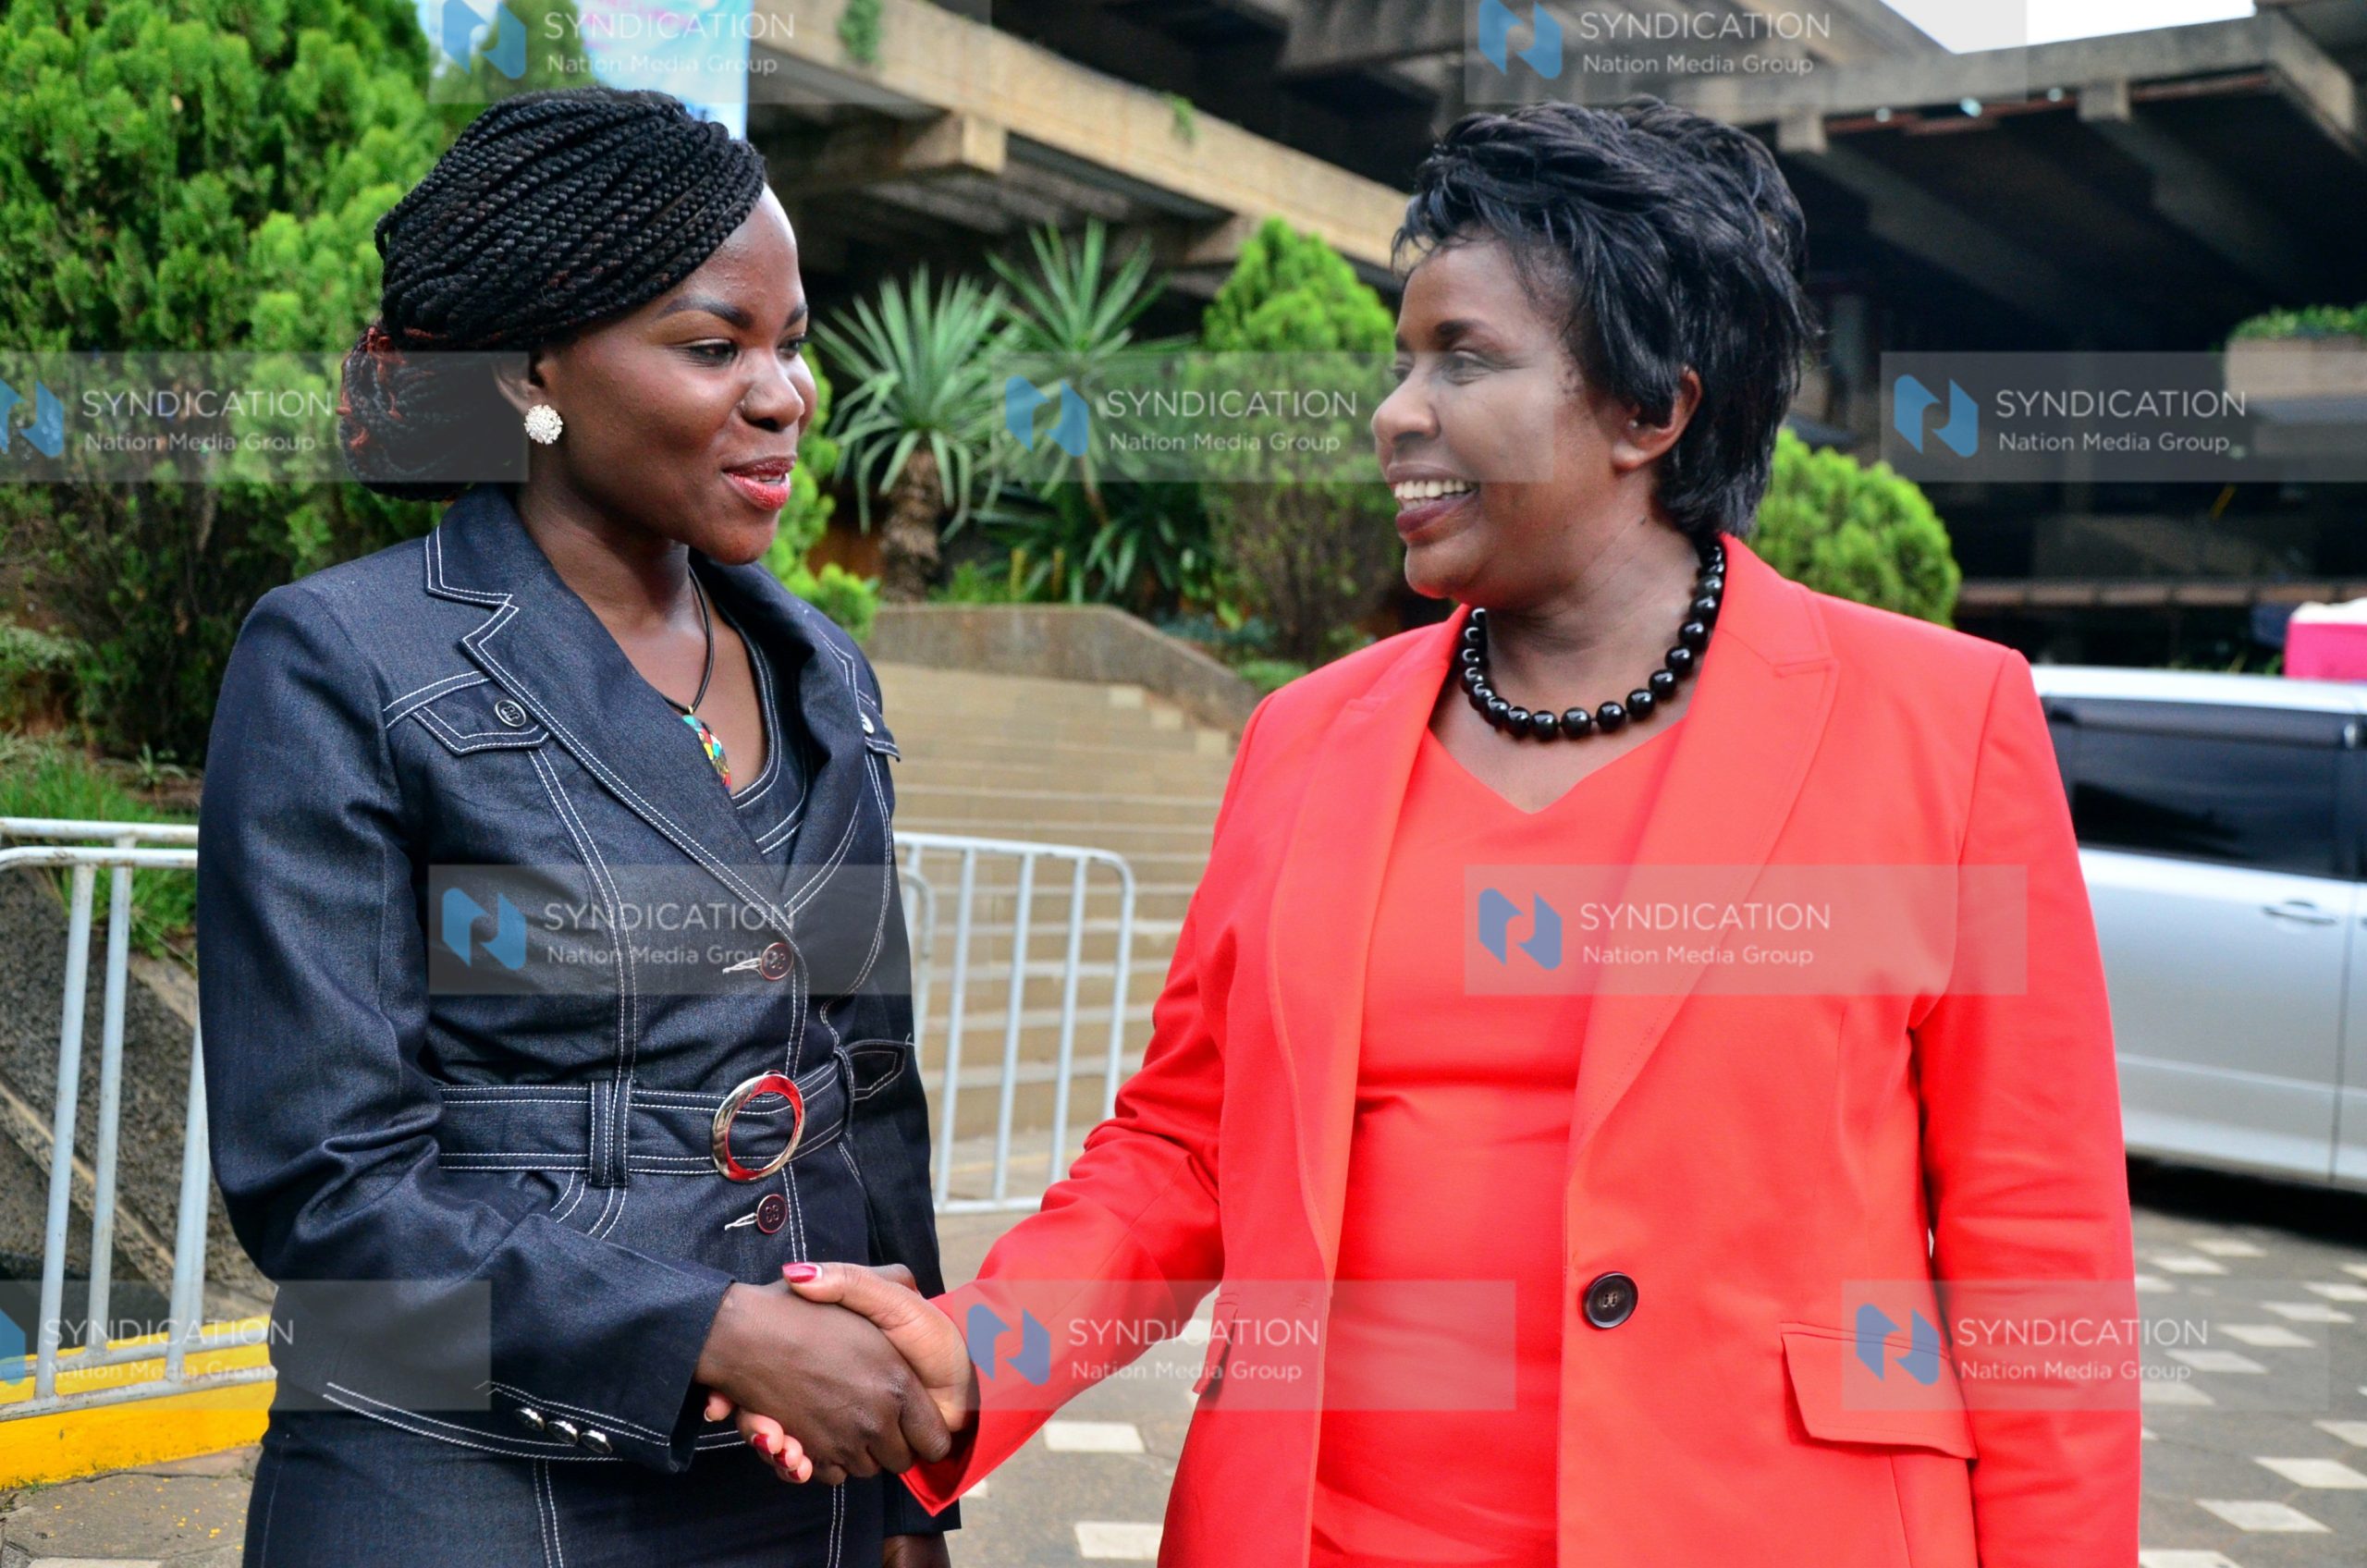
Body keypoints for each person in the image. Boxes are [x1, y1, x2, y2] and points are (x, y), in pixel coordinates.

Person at [726, 98, 2143, 1566]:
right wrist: (984, 1350)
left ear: (1651, 411)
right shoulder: (1307, 736)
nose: (1397, 412)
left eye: (1463, 358)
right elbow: (1187, 1150)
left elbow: (2040, 1257)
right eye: (1404, 361)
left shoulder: (1941, 725)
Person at [196, 86, 958, 1566]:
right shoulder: (342, 662)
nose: (783, 395)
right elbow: (329, 1191)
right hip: (457, 1483)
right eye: (713, 346)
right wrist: (714, 1334)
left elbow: (867, 1096)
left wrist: (914, 1486)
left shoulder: (825, 679)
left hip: (794, 1493)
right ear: (536, 370)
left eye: (792, 344)